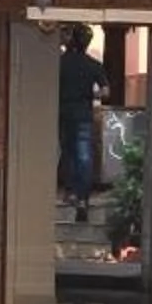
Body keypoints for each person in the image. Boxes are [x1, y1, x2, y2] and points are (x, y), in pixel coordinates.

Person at [57, 24, 107, 219]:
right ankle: (82, 198)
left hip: (62, 112)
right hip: (83, 113)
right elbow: (105, 91)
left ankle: (68, 191)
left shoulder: (60, 63)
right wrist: (90, 93)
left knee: (67, 151)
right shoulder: (93, 64)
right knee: (84, 156)